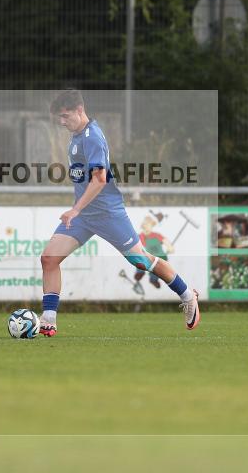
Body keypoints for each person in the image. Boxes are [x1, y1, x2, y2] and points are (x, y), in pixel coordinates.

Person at [38, 89, 200, 336]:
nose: (62, 122)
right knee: (49, 259)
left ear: (79, 110)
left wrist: (75, 208)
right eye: (59, 117)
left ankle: (188, 295)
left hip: (107, 214)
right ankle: (48, 319)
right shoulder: (76, 135)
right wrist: (79, 211)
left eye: (65, 116)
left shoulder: (93, 137)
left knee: (141, 260)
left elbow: (100, 179)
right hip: (84, 217)